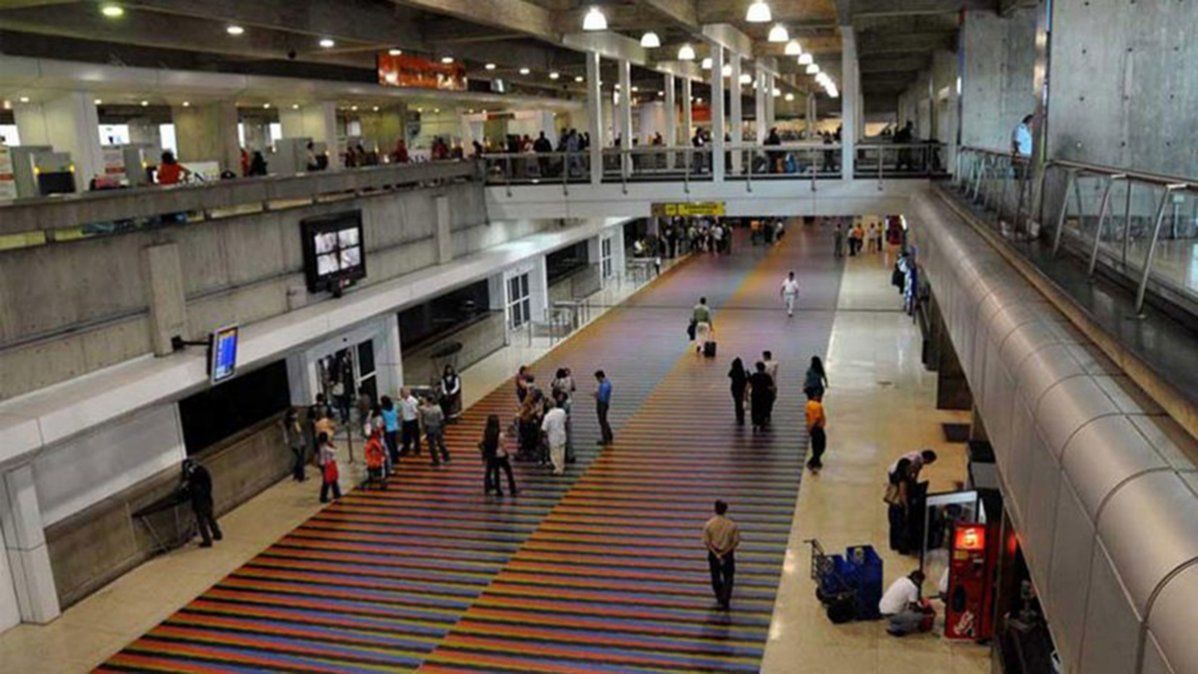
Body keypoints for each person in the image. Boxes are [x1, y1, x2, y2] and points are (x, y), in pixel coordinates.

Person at [702, 500, 740, 609]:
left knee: (715, 577)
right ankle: (726, 598)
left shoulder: (709, 524)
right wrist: (725, 552)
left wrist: (716, 553)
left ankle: (719, 597)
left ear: (715, 509)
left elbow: (706, 542)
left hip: (714, 555)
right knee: (728, 577)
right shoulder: (732, 525)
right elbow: (736, 542)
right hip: (727, 555)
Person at [180, 459, 221, 547]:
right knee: (210, 517)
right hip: (207, 498)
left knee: (202, 522)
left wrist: (186, 486)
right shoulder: (203, 472)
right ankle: (217, 534)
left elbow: (192, 488)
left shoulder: (195, 478)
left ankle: (207, 541)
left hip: (199, 502)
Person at [879, 570, 929, 636]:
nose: (921, 584)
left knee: (906, 609)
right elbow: (913, 607)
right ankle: (896, 629)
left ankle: (896, 621)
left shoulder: (902, 579)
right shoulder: (913, 587)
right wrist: (924, 610)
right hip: (891, 614)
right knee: (919, 617)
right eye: (921, 581)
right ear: (917, 579)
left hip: (883, 609)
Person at [480, 414, 518, 496]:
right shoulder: (500, 434)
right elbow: (503, 446)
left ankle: (497, 490)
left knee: (494, 473)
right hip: (501, 455)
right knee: (508, 472)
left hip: (491, 456)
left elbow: (482, 442)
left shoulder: (486, 432)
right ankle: (512, 488)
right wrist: (507, 453)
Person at [886, 457, 916, 553]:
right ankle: (902, 547)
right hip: (898, 505)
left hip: (892, 504)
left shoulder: (895, 475)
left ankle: (893, 544)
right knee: (901, 526)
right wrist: (907, 507)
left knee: (893, 525)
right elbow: (903, 494)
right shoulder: (903, 479)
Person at [551, 367, 577, 462]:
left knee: (562, 435)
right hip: (569, 401)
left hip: (562, 408)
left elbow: (553, 387)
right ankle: (570, 455)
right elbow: (574, 388)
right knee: (568, 435)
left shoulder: (558, 382)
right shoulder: (570, 379)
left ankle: (564, 455)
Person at [420, 395, 450, 465]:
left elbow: (419, 407)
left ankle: (436, 461)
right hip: (438, 427)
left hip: (429, 428)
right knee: (441, 443)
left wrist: (421, 401)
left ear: (428, 402)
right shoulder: (438, 408)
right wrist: (443, 429)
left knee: (432, 445)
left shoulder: (425, 409)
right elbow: (442, 419)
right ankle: (446, 457)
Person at [542, 398, 568, 475]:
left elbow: (544, 428)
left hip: (553, 437)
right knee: (562, 452)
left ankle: (558, 469)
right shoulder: (562, 411)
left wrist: (544, 437)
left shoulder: (548, 416)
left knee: (554, 454)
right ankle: (562, 466)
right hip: (562, 435)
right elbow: (565, 420)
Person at [748, 361, 774, 432]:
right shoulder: (767, 376)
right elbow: (771, 387)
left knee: (755, 409)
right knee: (763, 408)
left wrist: (746, 394)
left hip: (755, 394)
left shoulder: (754, 375)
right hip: (764, 395)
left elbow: (749, 385)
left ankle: (754, 423)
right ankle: (762, 422)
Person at [805, 390, 827, 473]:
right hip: (817, 428)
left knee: (816, 445)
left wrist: (809, 428)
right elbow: (816, 418)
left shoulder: (808, 404)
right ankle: (813, 462)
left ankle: (816, 462)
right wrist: (811, 427)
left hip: (813, 428)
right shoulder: (816, 405)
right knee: (821, 445)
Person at [283, 407, 306, 482]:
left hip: (293, 444)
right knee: (300, 460)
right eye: (295, 413)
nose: (297, 414)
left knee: (298, 459)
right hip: (299, 443)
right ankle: (301, 477)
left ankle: (296, 475)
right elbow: (299, 432)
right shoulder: (295, 423)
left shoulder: (287, 423)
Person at [317, 432, 341, 503]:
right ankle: (323, 497)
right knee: (326, 481)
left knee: (333, 479)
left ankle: (336, 493)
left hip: (326, 465)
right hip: (326, 465)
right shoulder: (325, 448)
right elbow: (335, 451)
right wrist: (333, 446)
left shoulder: (321, 446)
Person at [398, 387, 421, 456]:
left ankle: (417, 450)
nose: (401, 394)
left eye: (403, 393)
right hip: (405, 421)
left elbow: (417, 412)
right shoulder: (402, 400)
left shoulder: (413, 401)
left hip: (412, 421)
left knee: (415, 436)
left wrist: (419, 423)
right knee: (406, 437)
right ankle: (406, 449)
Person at [593, 370, 614, 445]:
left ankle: (605, 439)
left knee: (602, 421)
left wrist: (596, 395)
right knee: (604, 420)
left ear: (600, 377)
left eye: (597, 379)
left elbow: (602, 397)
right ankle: (610, 436)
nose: (597, 380)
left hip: (602, 404)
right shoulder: (607, 383)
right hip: (605, 404)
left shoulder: (604, 385)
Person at [728, 358, 749, 426]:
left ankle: (738, 415)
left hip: (734, 388)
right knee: (740, 403)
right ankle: (741, 416)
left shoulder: (733, 371)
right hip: (741, 389)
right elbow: (746, 380)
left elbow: (729, 375)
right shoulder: (742, 372)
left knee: (736, 402)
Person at [380, 396, 400, 466]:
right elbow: (397, 416)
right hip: (395, 427)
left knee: (389, 445)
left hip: (388, 429)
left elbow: (383, 420)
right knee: (394, 444)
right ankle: (396, 458)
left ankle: (392, 459)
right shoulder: (394, 407)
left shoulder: (383, 410)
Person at [762, 351, 779, 422]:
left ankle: (765, 412)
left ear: (765, 356)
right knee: (771, 398)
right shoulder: (775, 363)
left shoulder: (763, 364)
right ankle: (768, 411)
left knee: (764, 399)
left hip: (764, 384)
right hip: (773, 384)